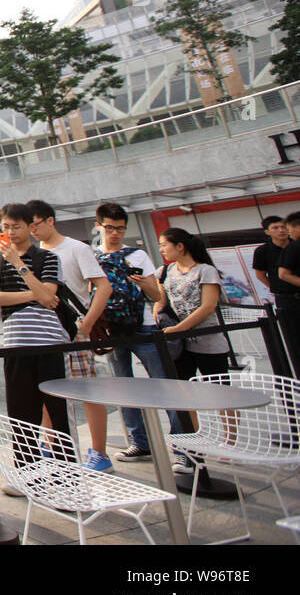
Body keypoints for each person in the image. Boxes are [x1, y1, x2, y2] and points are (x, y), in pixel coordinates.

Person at [25, 199, 113, 471]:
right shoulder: (35, 253)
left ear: (50, 220)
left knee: (86, 390)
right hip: (46, 331)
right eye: (29, 227)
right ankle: (50, 445)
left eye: (35, 224)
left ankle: (99, 452)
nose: (33, 231)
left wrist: (87, 323)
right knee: (47, 391)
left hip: (74, 330)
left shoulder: (76, 248)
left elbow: (103, 287)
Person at [93, 203, 182, 463]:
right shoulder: (93, 257)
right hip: (111, 330)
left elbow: (157, 296)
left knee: (165, 386)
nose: (115, 233)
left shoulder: (138, 255)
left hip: (143, 327)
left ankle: (183, 448)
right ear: (99, 226)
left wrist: (146, 285)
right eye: (110, 228)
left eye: (120, 229)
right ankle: (139, 443)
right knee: (123, 388)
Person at [0, 203, 68, 462]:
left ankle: (66, 467)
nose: (11, 232)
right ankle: (25, 469)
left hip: (48, 343)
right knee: (21, 412)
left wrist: (19, 264)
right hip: (16, 343)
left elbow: (50, 296)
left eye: (16, 226)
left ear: (30, 227)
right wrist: (36, 294)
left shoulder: (48, 258)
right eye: (5, 227)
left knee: (57, 408)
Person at [155, 228, 227, 384]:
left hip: (207, 341)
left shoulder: (206, 271)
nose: (161, 250)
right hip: (178, 344)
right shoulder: (164, 271)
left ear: (180, 246)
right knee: (184, 389)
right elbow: (160, 302)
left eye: (164, 245)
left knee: (221, 391)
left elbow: (208, 307)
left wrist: (179, 328)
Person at [274, 212, 300, 374]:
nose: (287, 232)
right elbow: (283, 274)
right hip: (291, 302)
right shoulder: (293, 247)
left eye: (289, 229)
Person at [250, 215, 289, 302]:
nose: (281, 230)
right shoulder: (262, 251)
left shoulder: (296, 244)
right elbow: (260, 275)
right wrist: (277, 288)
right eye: (275, 228)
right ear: (267, 232)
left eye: (283, 227)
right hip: (285, 298)